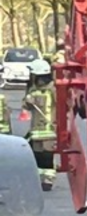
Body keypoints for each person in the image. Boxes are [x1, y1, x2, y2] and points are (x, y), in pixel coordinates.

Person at [22, 59, 56, 190]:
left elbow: (64, 106)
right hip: (36, 132)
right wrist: (27, 100)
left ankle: (48, 180)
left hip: (49, 131)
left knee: (47, 157)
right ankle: (37, 179)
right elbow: (25, 106)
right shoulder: (33, 89)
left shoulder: (53, 89)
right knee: (36, 157)